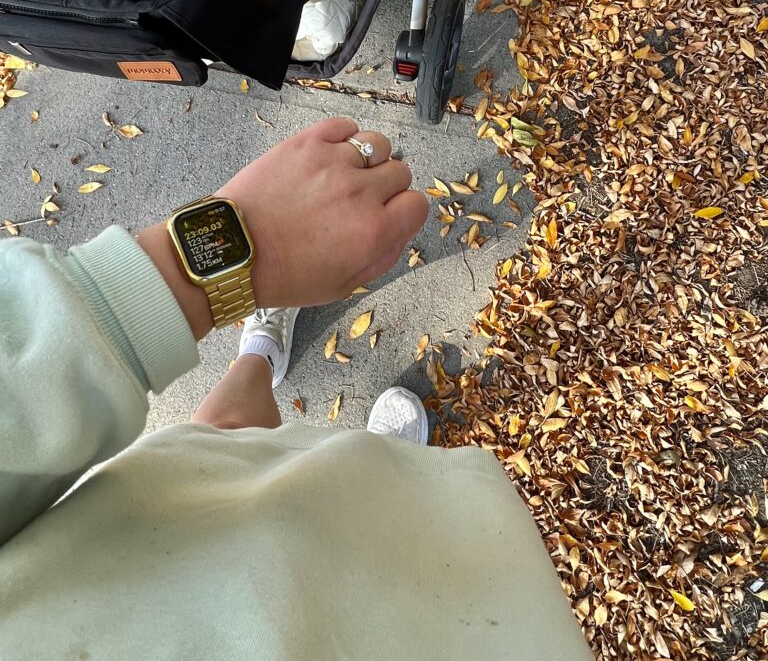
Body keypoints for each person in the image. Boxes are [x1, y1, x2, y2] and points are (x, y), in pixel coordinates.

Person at [0, 118, 591, 660]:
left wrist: (198, 274)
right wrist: (224, 263)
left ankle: (262, 353)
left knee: (221, 449)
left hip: (142, 555)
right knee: (377, 530)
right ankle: (386, 469)